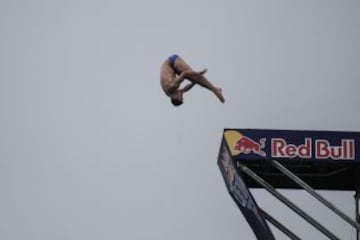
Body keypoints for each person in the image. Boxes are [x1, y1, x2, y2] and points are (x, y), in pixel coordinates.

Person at [160, 54, 225, 106]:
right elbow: (185, 89)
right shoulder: (172, 93)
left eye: (181, 97)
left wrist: (197, 73)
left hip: (172, 61)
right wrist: (194, 83)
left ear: (175, 97)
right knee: (195, 79)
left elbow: (185, 74)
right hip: (172, 68)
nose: (182, 95)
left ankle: (215, 90)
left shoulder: (171, 86)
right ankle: (215, 90)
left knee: (195, 77)